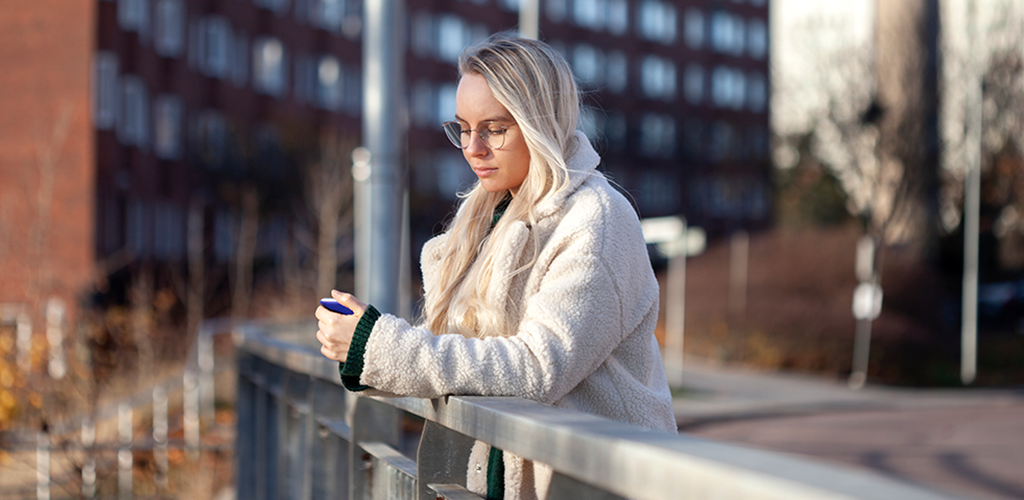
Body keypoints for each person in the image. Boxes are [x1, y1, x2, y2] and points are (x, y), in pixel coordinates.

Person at [315, 32, 676, 500]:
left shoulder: (596, 218)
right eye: (463, 127)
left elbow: (537, 367)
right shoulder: (485, 218)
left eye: (494, 128)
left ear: (540, 122)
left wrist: (379, 344)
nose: (473, 148)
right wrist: (365, 346)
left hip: (599, 483)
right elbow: (462, 366)